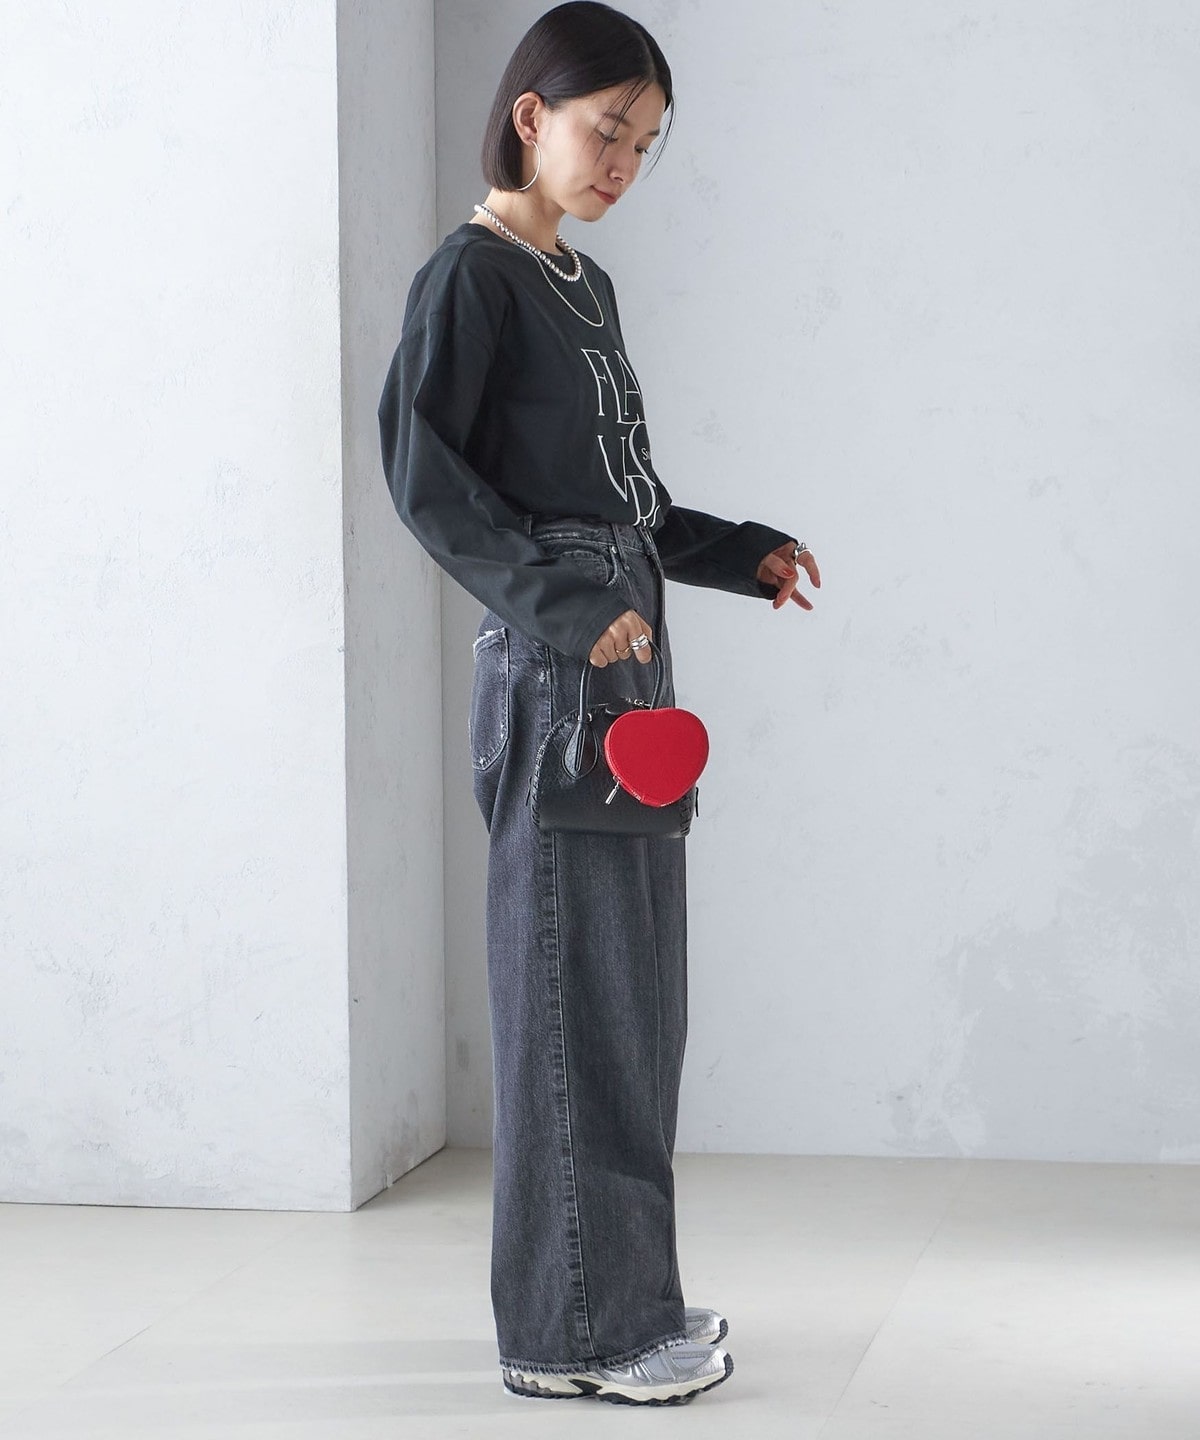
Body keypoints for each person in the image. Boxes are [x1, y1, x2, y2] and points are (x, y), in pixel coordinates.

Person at [377, 0, 820, 1407]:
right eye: (605, 130)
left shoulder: (582, 283)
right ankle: (575, 1335)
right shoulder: (470, 278)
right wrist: (568, 608)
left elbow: (623, 501)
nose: (623, 163)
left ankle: (621, 1296)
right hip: (558, 664)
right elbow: (427, 481)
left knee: (634, 996)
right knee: (572, 993)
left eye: (645, 143)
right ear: (531, 116)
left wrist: (741, 552)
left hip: (626, 653)